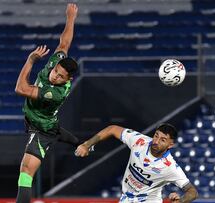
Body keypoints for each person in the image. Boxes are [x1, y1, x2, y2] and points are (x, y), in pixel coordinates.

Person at [14, 3, 83, 203]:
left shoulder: (55, 93)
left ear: (68, 80)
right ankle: (83, 144)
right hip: (43, 122)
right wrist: (71, 18)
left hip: (40, 129)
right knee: (55, 129)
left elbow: (20, 89)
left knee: (26, 171)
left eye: (60, 77)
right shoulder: (57, 61)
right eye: (55, 71)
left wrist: (30, 60)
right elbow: (64, 43)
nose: (54, 77)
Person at [75, 123, 198, 203]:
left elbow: (192, 192)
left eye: (163, 140)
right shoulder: (139, 141)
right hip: (126, 199)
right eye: (156, 136)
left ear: (170, 145)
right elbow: (112, 129)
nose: (156, 141)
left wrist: (180, 201)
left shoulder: (170, 167)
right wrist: (87, 144)